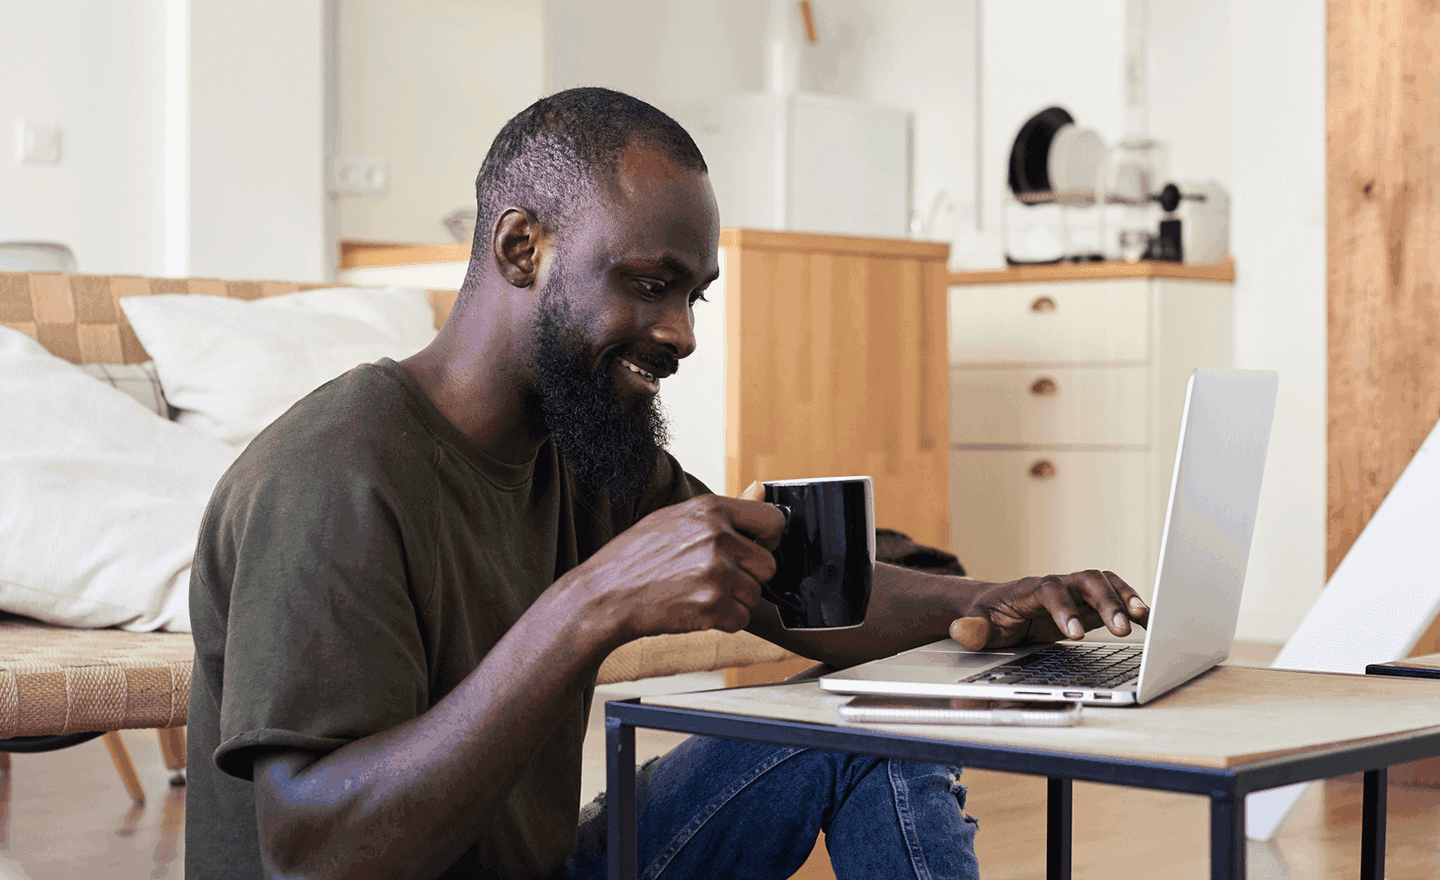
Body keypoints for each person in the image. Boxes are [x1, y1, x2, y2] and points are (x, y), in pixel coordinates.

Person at [186, 87, 1149, 880]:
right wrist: (589, 607)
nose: (683, 331)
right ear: (522, 249)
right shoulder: (332, 473)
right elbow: (314, 855)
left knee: (872, 723)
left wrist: (990, 600)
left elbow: (796, 590)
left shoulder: (583, 440)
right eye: (651, 283)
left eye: (694, 295)